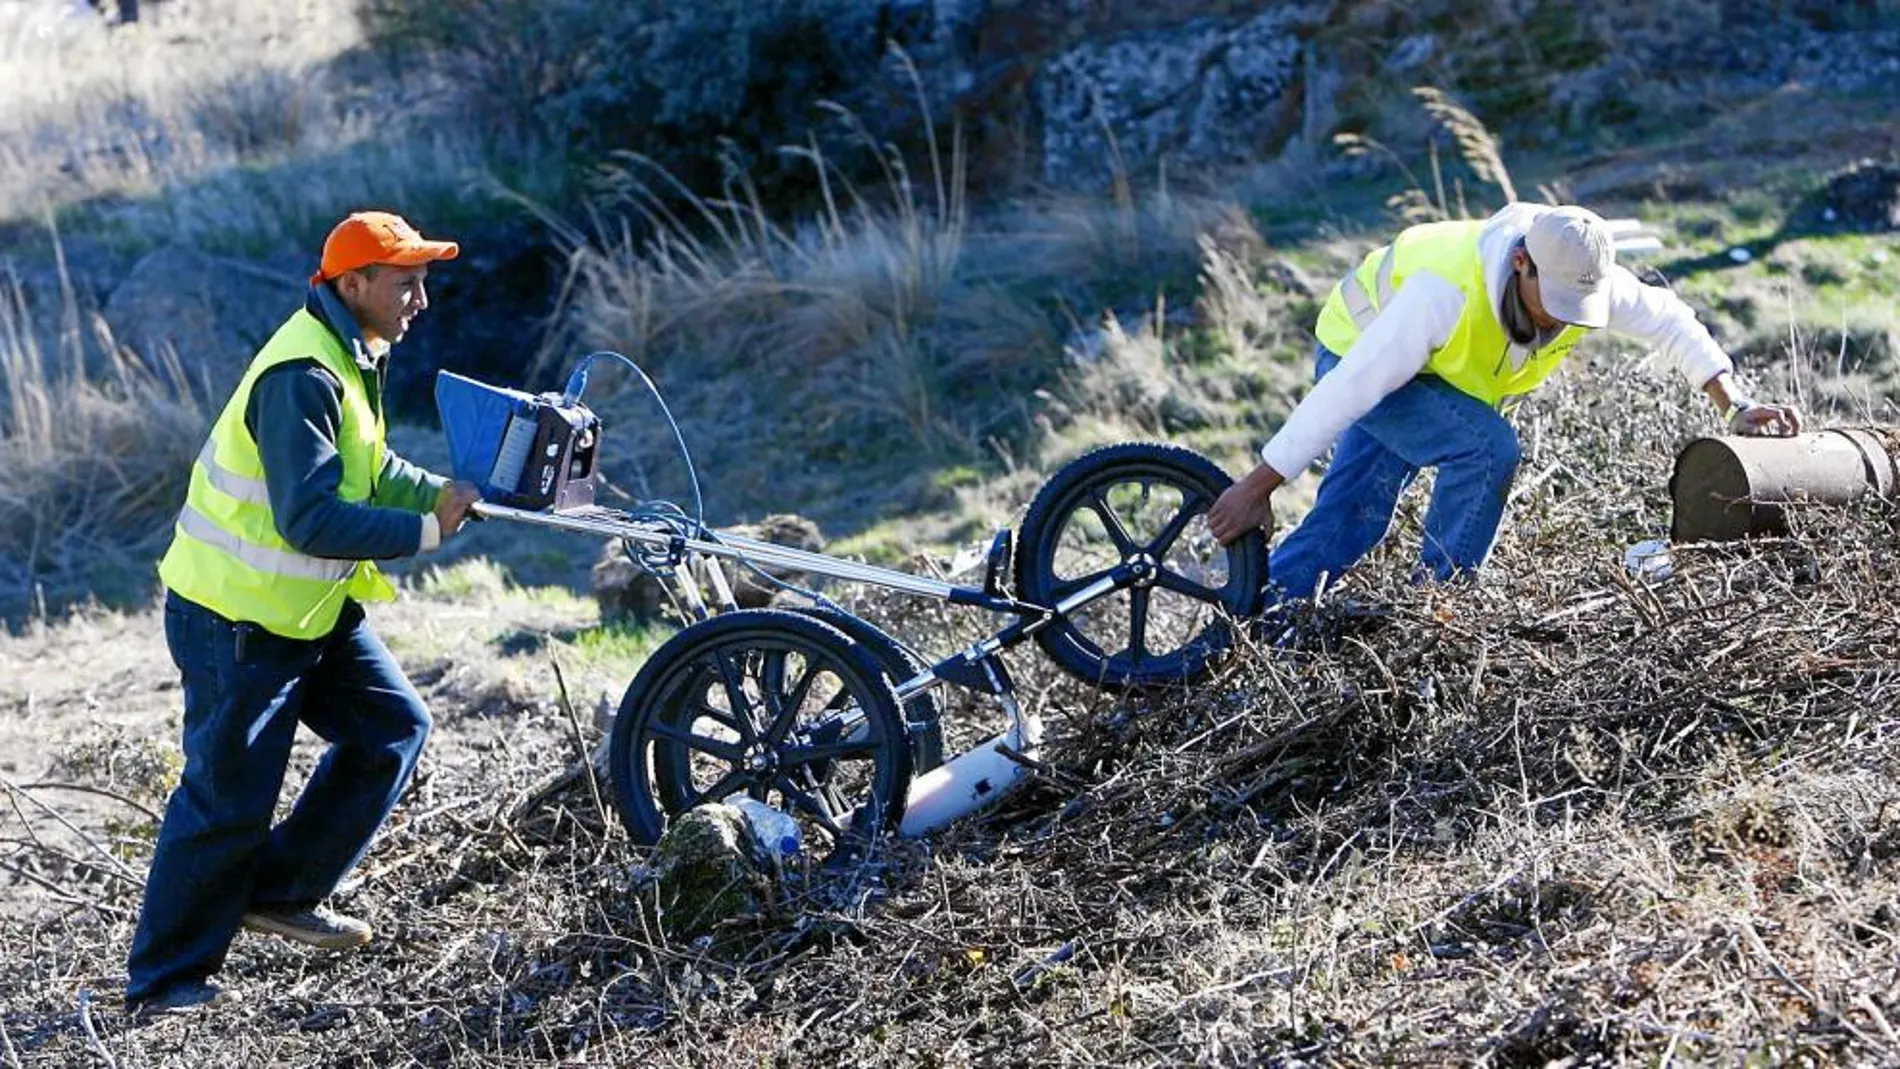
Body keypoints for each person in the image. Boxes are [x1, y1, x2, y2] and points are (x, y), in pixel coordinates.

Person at [125, 211, 483, 1015]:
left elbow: (367, 463)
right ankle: (162, 983)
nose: (420, 298)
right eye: (405, 283)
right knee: (226, 799)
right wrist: (427, 529)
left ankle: (282, 892)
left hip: (306, 610)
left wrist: (436, 492)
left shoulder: (351, 351)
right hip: (234, 620)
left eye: (423, 280)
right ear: (352, 284)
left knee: (393, 727)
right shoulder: (304, 374)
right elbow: (309, 520)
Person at [1206, 203, 1801, 599]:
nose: (1565, 318)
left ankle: (1253, 626)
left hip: (1438, 373)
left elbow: (1672, 323)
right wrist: (1256, 486)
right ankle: (1439, 607)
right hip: (1361, 348)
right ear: (1521, 262)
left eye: (1579, 306)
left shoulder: (1583, 274)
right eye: (1556, 300)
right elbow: (1350, 389)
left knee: (1350, 521)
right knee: (1486, 449)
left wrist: (1734, 402)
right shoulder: (1444, 293)